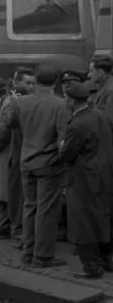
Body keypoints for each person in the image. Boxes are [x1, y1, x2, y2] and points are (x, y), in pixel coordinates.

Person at [3, 65, 71, 267]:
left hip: (26, 160)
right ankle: (42, 256)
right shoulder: (62, 104)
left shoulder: (21, 102)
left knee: (30, 206)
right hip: (50, 163)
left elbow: (9, 124)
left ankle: (27, 251)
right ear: (56, 81)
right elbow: (63, 137)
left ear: (37, 80)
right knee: (47, 210)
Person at [59, 83, 113, 278]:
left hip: (83, 177)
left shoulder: (76, 124)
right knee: (102, 216)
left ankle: (91, 266)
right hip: (104, 174)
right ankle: (107, 259)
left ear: (72, 101)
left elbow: (67, 155)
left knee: (82, 221)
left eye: (65, 98)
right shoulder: (100, 115)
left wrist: (62, 145)